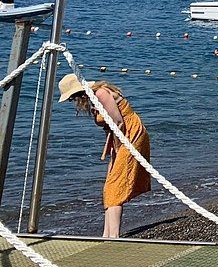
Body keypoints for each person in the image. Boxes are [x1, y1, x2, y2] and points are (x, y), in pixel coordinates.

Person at [58, 75, 151, 238]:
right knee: (110, 184)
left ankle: (113, 236)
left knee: (116, 184)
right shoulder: (94, 98)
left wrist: (118, 147)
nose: (73, 100)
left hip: (130, 135)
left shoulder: (101, 93)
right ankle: (106, 234)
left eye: (73, 97)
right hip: (120, 136)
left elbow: (119, 122)